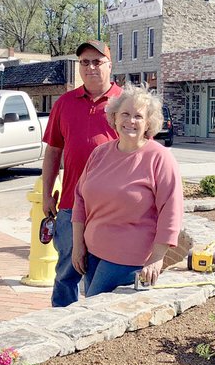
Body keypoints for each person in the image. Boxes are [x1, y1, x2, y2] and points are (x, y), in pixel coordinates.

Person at [71, 84, 183, 296]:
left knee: (95, 312)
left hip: (127, 259)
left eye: (138, 116)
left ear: (148, 122)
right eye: (125, 114)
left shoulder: (159, 158)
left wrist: (157, 258)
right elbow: (80, 199)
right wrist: (78, 245)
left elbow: (171, 210)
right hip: (92, 252)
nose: (130, 121)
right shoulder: (100, 153)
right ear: (114, 117)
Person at [42, 40, 122, 306]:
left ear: (110, 66)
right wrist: (46, 195)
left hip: (111, 208)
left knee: (100, 273)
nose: (90, 67)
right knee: (67, 270)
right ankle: (60, 324)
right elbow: (53, 152)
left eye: (97, 62)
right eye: (85, 62)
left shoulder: (125, 104)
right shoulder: (65, 103)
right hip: (69, 205)